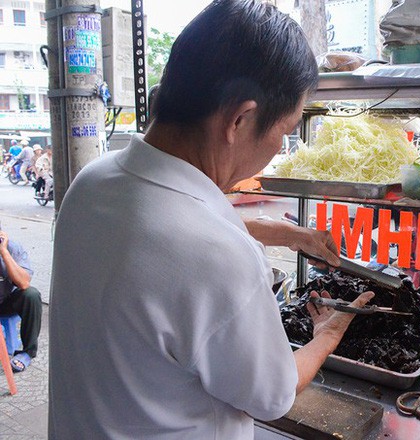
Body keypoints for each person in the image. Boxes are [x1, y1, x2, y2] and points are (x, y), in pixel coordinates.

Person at [49, 1, 373, 439]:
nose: (281, 147)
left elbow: (162, 239)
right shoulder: (217, 257)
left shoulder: (92, 184)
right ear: (240, 119)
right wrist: (328, 334)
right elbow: (273, 395)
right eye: (287, 129)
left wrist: (285, 233)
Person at [0, 226, 43, 372]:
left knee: (31, 295)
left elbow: (24, 283)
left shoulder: (13, 248)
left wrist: (4, 253)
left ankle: (27, 353)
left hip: (5, 301)